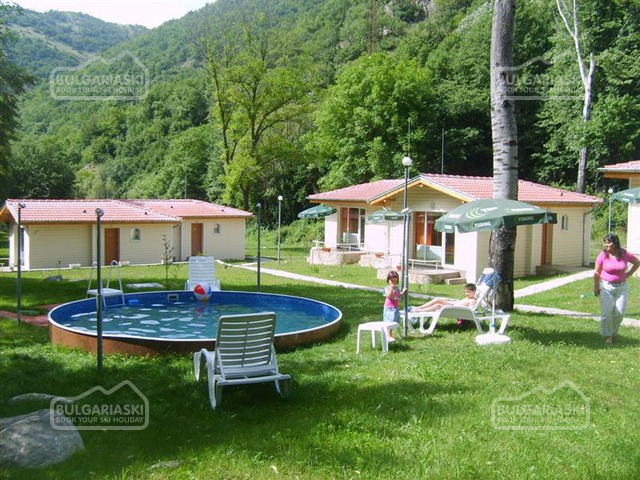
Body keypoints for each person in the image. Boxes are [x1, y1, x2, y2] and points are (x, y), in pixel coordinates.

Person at [593, 233, 640, 344]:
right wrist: (596, 287)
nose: (606, 245)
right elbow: (596, 272)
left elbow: (637, 262)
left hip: (621, 287)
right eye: (605, 242)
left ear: (615, 242)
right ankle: (608, 335)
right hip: (606, 287)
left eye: (609, 242)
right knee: (607, 312)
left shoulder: (623, 253)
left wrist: (628, 274)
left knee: (620, 312)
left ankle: (613, 333)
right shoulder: (603, 255)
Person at [410, 283, 477, 313]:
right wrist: (451, 302)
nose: (466, 294)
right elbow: (460, 303)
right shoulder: (468, 298)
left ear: (474, 292)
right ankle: (419, 307)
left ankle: (419, 311)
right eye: (466, 292)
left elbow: (470, 310)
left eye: (468, 292)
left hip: (455, 309)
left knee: (437, 305)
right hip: (453, 305)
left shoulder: (472, 300)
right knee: (437, 299)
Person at [383, 270, 407, 342]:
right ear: (388, 280)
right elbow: (389, 296)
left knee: (394, 321)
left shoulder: (397, 288)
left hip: (395, 308)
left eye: (395, 281)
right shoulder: (387, 288)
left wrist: (402, 292)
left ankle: (390, 336)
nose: (393, 282)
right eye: (391, 281)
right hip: (389, 308)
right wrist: (391, 288)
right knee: (389, 321)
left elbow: (398, 297)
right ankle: (388, 336)